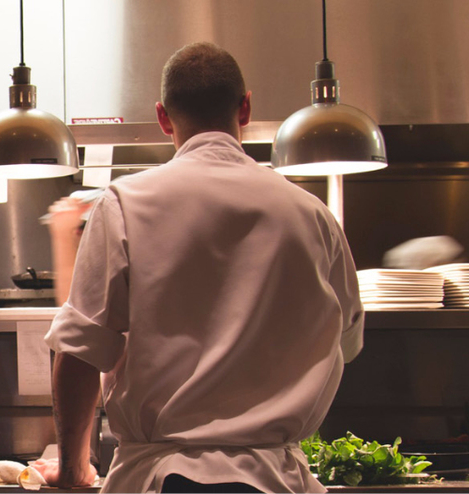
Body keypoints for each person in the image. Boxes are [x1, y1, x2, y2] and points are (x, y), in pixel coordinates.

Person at [42, 42, 364, 493]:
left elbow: (78, 352)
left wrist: (73, 471)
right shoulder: (312, 215)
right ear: (246, 106)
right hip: (274, 481)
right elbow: (346, 343)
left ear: (162, 117)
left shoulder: (123, 205)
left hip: (163, 479)